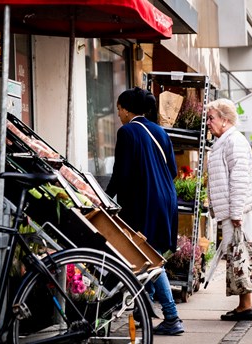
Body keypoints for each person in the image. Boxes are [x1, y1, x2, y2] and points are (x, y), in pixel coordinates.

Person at [105, 86, 184, 336]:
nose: (118, 113)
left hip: (144, 200)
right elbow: (172, 169)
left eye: (119, 109)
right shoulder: (160, 130)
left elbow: (122, 173)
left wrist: (105, 198)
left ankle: (171, 317)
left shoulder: (127, 132)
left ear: (127, 110)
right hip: (166, 197)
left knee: (148, 257)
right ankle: (143, 310)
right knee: (152, 252)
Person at [205, 98, 252, 321]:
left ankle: (246, 306)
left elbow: (239, 179)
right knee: (237, 256)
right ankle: (244, 305)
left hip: (239, 211)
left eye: (211, 118)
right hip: (234, 210)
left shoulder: (234, 141)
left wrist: (236, 213)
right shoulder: (226, 141)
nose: (208, 122)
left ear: (225, 119)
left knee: (240, 256)